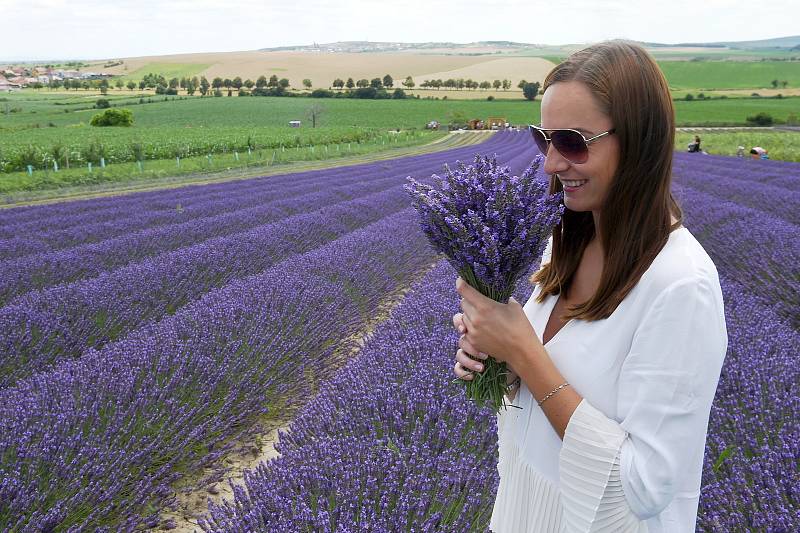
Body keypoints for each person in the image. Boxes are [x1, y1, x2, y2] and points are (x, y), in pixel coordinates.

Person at [451, 40, 728, 533]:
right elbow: (549, 397)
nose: (551, 164)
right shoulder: (564, 248)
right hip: (528, 509)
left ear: (639, 142)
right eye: (544, 139)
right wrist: (495, 355)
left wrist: (524, 354)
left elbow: (642, 489)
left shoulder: (681, 287)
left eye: (573, 142)